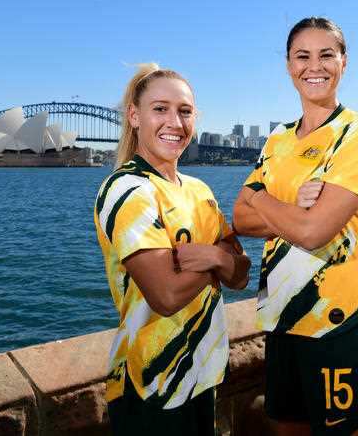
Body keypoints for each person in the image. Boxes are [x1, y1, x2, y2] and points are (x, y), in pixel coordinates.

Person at [232, 17, 358, 436]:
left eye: (325, 55)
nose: (313, 66)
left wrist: (263, 198)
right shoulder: (277, 138)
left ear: (344, 63)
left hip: (340, 319)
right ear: (288, 65)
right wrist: (289, 208)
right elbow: (238, 218)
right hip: (281, 316)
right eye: (302, 56)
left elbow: (315, 231)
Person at [94, 64, 250, 435]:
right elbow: (165, 294)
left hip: (201, 374)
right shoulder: (128, 190)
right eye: (159, 109)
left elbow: (242, 274)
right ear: (134, 116)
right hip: (152, 383)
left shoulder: (199, 190)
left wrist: (212, 256)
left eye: (184, 111)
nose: (174, 122)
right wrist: (221, 260)